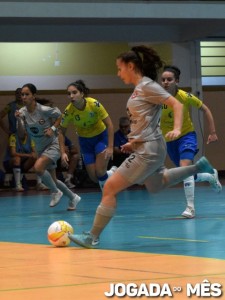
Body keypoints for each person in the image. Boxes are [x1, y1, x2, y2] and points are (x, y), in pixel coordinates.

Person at [68, 45, 215, 248]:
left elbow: (177, 104)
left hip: (149, 149)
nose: (118, 73)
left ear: (131, 66)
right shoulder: (140, 89)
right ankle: (199, 168)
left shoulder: (147, 86)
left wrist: (178, 128)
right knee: (156, 185)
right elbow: (147, 121)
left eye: (120, 69)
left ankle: (91, 237)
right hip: (148, 146)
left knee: (110, 187)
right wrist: (134, 141)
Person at [160, 65, 222, 218]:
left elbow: (205, 109)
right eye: (163, 80)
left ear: (177, 81)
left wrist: (212, 132)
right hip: (170, 140)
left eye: (169, 79)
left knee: (184, 168)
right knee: (185, 174)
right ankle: (209, 176)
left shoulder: (185, 97)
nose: (166, 82)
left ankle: (190, 208)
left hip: (186, 136)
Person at [15, 83, 81, 210]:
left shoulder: (43, 110)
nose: (24, 97)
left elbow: (60, 116)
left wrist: (52, 128)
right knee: (53, 180)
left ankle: (55, 192)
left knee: (38, 168)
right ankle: (73, 198)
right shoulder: (22, 112)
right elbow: (21, 135)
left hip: (52, 144)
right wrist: (19, 120)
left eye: (27, 94)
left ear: (33, 96)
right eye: (22, 94)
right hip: (40, 148)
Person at [59, 79, 116, 191]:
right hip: (85, 142)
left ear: (82, 93)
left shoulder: (94, 104)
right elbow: (61, 132)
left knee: (100, 172)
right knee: (94, 178)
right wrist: (62, 153)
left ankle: (107, 194)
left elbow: (110, 125)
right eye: (69, 93)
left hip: (100, 137)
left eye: (74, 92)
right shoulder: (68, 111)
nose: (71, 96)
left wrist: (110, 147)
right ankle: (112, 172)